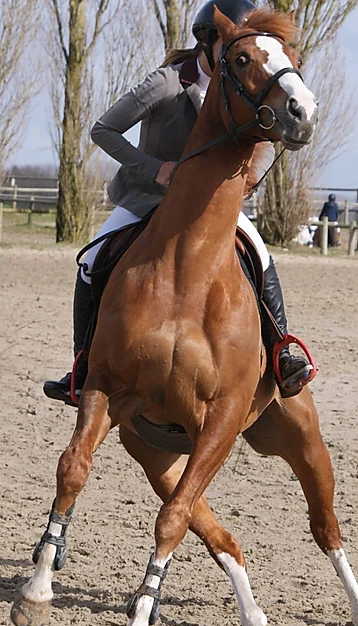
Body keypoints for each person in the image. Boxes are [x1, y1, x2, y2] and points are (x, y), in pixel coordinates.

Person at [43, 0, 312, 405]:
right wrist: (155, 168)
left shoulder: (249, 84)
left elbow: (264, 134)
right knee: (90, 262)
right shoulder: (167, 82)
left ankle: (281, 352)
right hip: (150, 198)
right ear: (207, 41)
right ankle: (82, 367)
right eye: (233, 43)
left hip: (210, 210)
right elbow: (104, 130)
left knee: (260, 255)